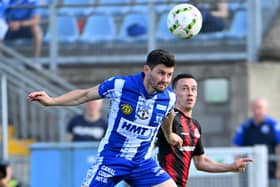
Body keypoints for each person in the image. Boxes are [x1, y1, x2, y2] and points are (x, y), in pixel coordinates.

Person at [27, 48, 183, 187]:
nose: (165, 80)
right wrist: (52, 101)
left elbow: (168, 113)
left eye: (169, 75)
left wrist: (169, 135)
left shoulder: (169, 97)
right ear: (147, 70)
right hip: (112, 159)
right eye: (161, 73)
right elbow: (85, 94)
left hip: (142, 162)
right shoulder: (120, 85)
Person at [157, 73, 252, 187]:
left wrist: (231, 167)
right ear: (174, 93)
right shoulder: (169, 118)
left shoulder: (195, 125)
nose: (190, 93)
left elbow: (200, 162)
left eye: (193, 89)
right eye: (184, 89)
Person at [232, 97, 280, 180]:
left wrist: (279, 169)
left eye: (259, 108)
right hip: (249, 174)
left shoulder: (274, 126)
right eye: (254, 108)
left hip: (270, 173)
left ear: (265, 109)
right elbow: (236, 148)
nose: (257, 111)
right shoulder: (244, 127)